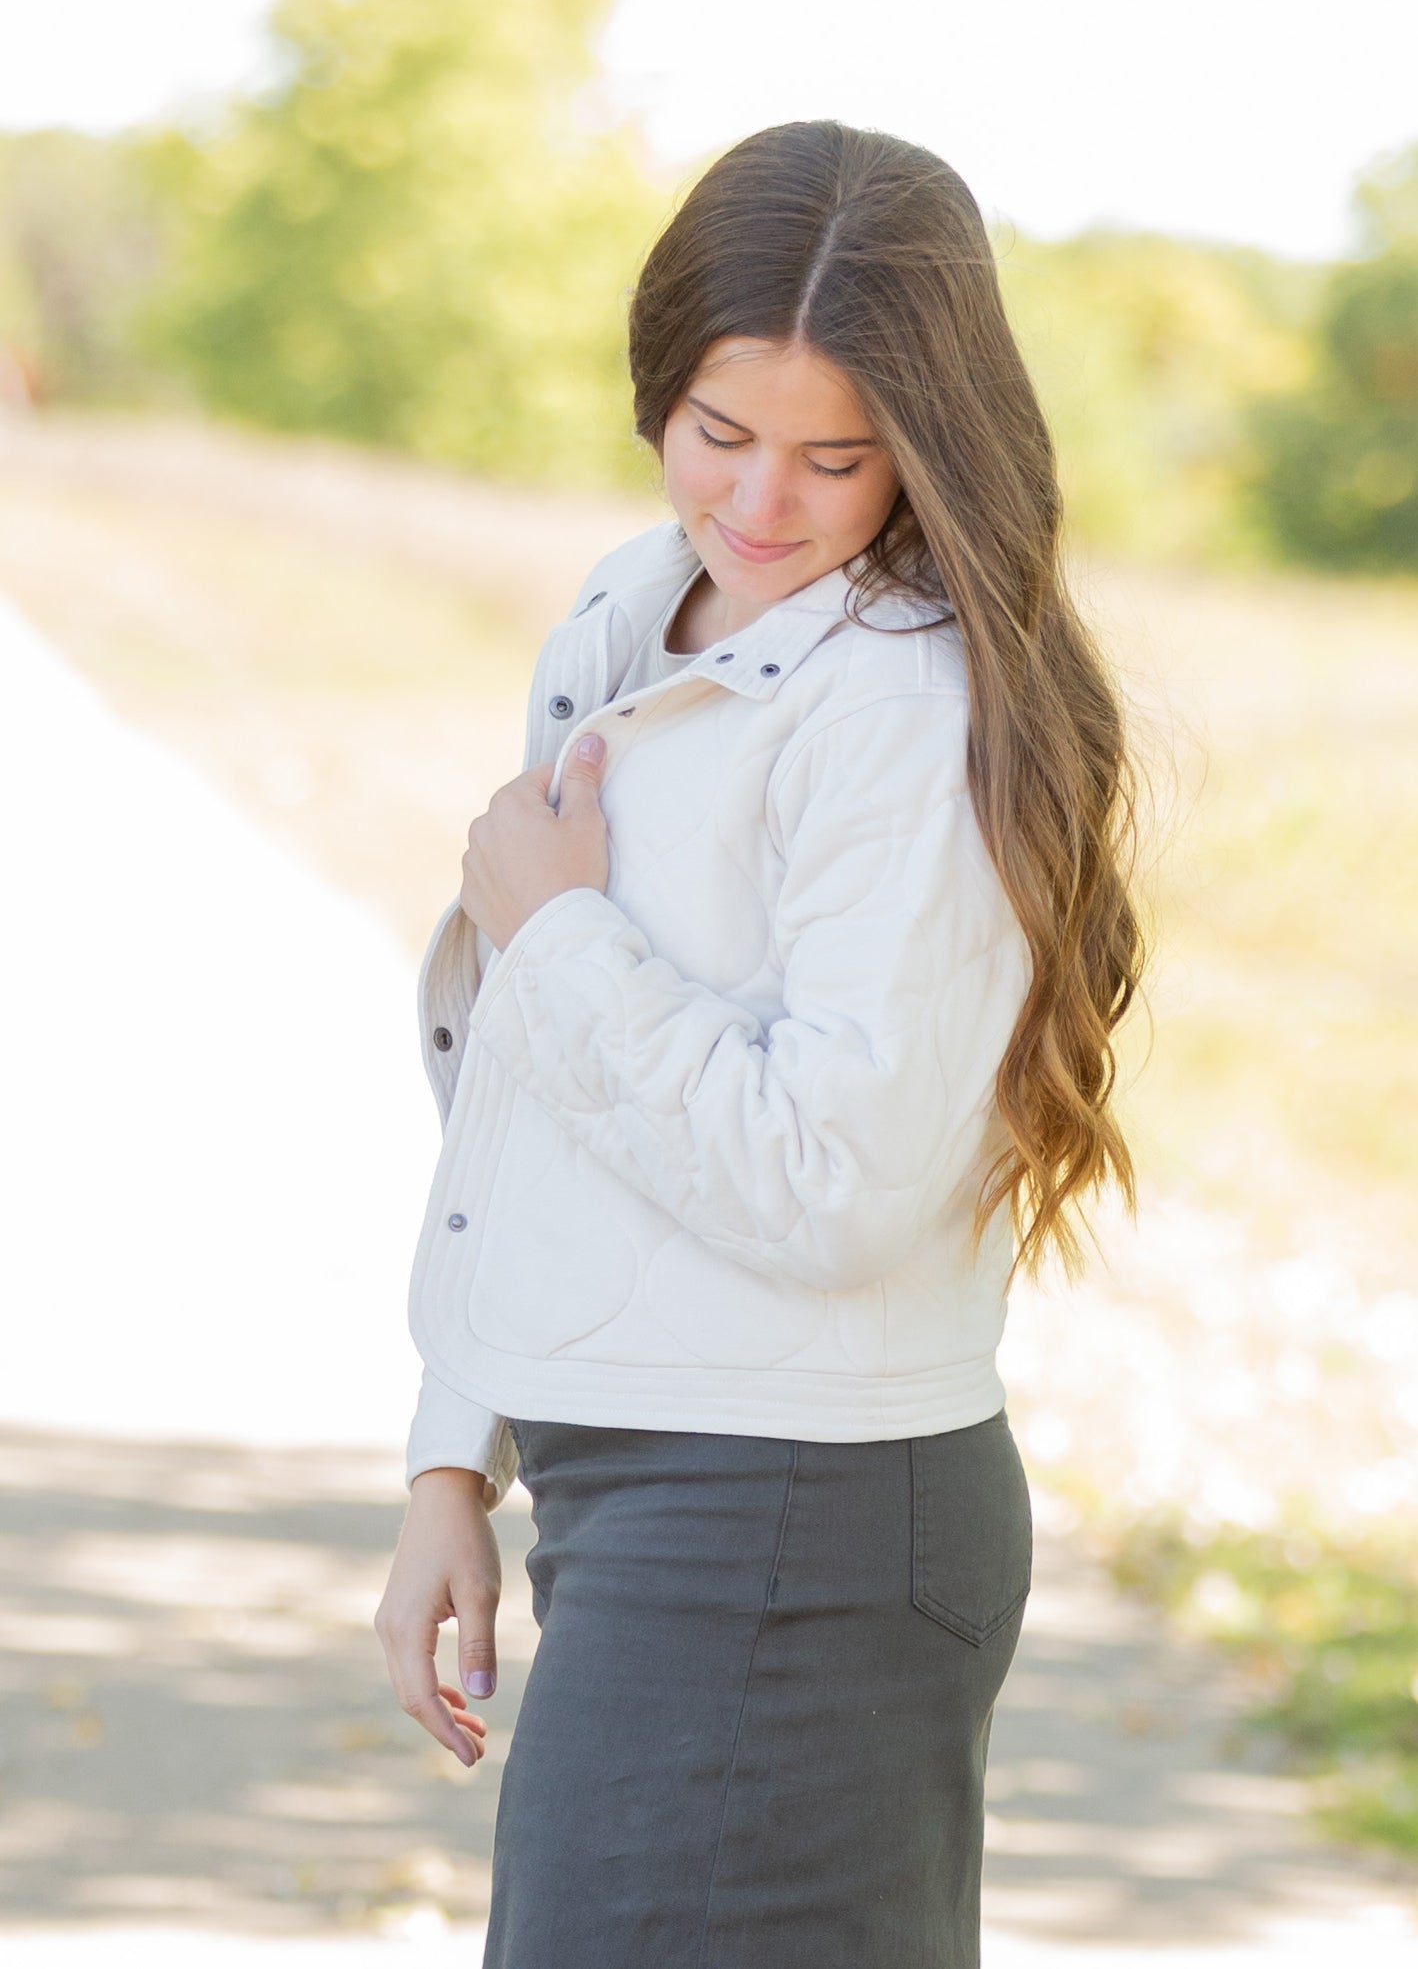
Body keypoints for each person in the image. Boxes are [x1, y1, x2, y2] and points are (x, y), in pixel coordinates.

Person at [374, 117, 1146, 1968]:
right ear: (659, 380)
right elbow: (534, 1113)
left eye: (836, 456)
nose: (762, 503)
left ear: (930, 444)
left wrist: (551, 926)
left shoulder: (900, 708)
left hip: (790, 1519)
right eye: (719, 432)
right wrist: (451, 1461)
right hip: (645, 1479)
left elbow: (830, 1181)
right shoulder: (633, 613)